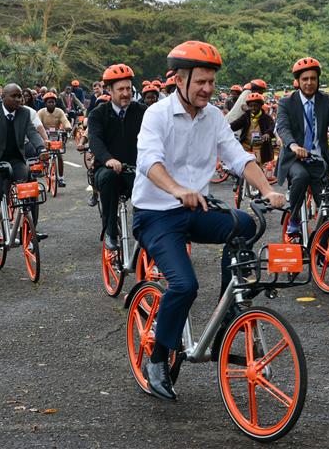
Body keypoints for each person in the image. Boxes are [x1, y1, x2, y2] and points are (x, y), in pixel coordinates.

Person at [131, 41, 286, 401]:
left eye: (211, 82)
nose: (207, 89)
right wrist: (177, 189)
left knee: (246, 224)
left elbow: (238, 156)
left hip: (195, 209)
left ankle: (226, 318)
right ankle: (157, 360)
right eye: (200, 81)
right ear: (180, 79)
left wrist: (268, 190)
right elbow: (149, 162)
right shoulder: (156, 115)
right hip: (156, 216)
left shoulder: (214, 116)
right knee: (184, 286)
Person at [276, 57, 329, 240]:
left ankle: (320, 246)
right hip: (294, 159)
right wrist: (293, 145)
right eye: (305, 79)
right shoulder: (286, 103)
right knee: (301, 176)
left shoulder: (325, 101)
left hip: (318, 160)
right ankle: (294, 218)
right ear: (298, 81)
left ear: (318, 80)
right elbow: (283, 127)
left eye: (313, 78)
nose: (309, 83)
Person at [0, 83, 45, 259]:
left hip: (15, 161)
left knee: (31, 188)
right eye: (14, 96)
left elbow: (32, 132)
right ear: (3, 96)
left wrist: (41, 148)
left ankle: (30, 231)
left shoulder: (24, 113)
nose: (19, 99)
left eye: (20, 96)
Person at [87, 64, 145, 252]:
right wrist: (108, 159)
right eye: (120, 89)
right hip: (107, 169)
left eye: (128, 88)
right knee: (109, 177)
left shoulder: (143, 112)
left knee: (151, 189)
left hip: (135, 169)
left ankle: (145, 232)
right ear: (109, 90)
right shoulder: (98, 114)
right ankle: (111, 232)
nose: (126, 93)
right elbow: (94, 141)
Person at [36, 91, 72, 187]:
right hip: (44, 136)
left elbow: (65, 120)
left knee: (59, 156)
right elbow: (37, 123)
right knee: (44, 154)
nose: (51, 104)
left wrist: (67, 127)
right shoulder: (41, 112)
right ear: (45, 103)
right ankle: (43, 169)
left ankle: (61, 178)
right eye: (49, 102)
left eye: (53, 102)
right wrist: (40, 131)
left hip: (56, 136)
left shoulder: (59, 111)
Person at [230, 92, 275, 164]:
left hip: (260, 148)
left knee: (257, 166)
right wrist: (226, 128)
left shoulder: (266, 118)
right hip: (245, 147)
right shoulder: (246, 116)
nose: (253, 108)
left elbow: (272, 127)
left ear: (261, 105)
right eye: (251, 106)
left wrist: (268, 133)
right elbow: (235, 124)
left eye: (256, 106)